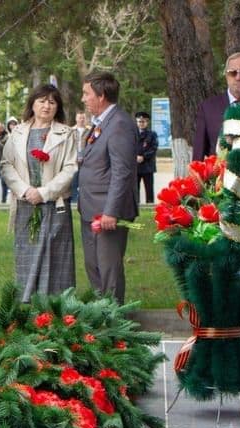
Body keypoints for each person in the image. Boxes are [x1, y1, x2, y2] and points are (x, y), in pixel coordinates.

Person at [0, 84, 77, 302]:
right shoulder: (17, 132)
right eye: (42, 100)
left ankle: (58, 308)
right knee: (27, 254)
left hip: (55, 204)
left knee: (56, 257)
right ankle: (26, 305)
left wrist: (43, 193)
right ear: (32, 104)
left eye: (52, 102)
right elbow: (6, 164)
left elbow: (70, 168)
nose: (46, 106)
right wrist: (25, 190)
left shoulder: (66, 133)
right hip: (26, 204)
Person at [78, 71, 138, 304]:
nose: (83, 99)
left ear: (101, 96)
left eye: (86, 94)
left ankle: (114, 326)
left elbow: (122, 172)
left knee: (108, 270)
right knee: (93, 267)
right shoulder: (102, 123)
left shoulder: (120, 124)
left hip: (106, 212)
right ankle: (99, 319)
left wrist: (111, 211)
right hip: (90, 208)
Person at [193, 52, 240, 160]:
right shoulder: (208, 107)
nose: (238, 77)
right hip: (219, 175)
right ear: (226, 76)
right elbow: (198, 154)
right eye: (232, 73)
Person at [135, 111, 158, 204]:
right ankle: (136, 206)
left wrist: (143, 157)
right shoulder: (132, 134)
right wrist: (135, 157)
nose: (141, 123)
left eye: (143, 121)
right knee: (135, 188)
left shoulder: (152, 134)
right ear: (136, 122)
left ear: (147, 122)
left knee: (149, 188)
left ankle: (150, 204)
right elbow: (128, 147)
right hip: (135, 165)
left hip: (147, 166)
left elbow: (154, 148)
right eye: (139, 121)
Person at [71, 111, 89, 201]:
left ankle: (84, 199)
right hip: (73, 159)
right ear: (76, 118)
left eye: (83, 118)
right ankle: (74, 199)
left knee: (84, 179)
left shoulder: (89, 131)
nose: (81, 120)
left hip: (85, 159)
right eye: (79, 118)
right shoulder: (71, 130)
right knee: (74, 179)